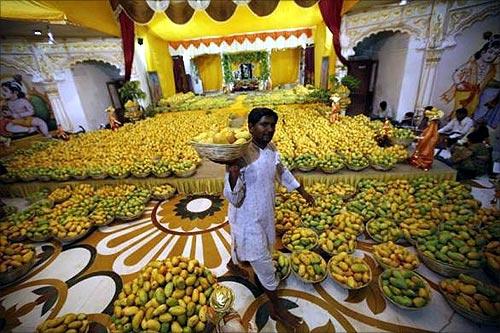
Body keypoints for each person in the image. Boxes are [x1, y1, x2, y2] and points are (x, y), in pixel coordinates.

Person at [223, 107, 314, 330]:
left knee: (243, 244)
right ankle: (275, 307)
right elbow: (233, 197)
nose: (269, 129)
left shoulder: (271, 148)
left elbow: (282, 171)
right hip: (247, 219)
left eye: (272, 125)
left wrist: (302, 191)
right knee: (264, 264)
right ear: (250, 127)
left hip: (263, 213)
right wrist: (234, 174)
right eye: (264, 124)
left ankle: (233, 263)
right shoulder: (240, 155)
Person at [441, 32, 500, 115]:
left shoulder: (491, 68)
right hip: (464, 90)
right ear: (483, 52)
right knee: (459, 110)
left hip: (476, 93)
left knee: (471, 110)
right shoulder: (472, 64)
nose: (491, 55)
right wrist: (458, 84)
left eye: (495, 54)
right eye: (490, 52)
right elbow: (456, 73)